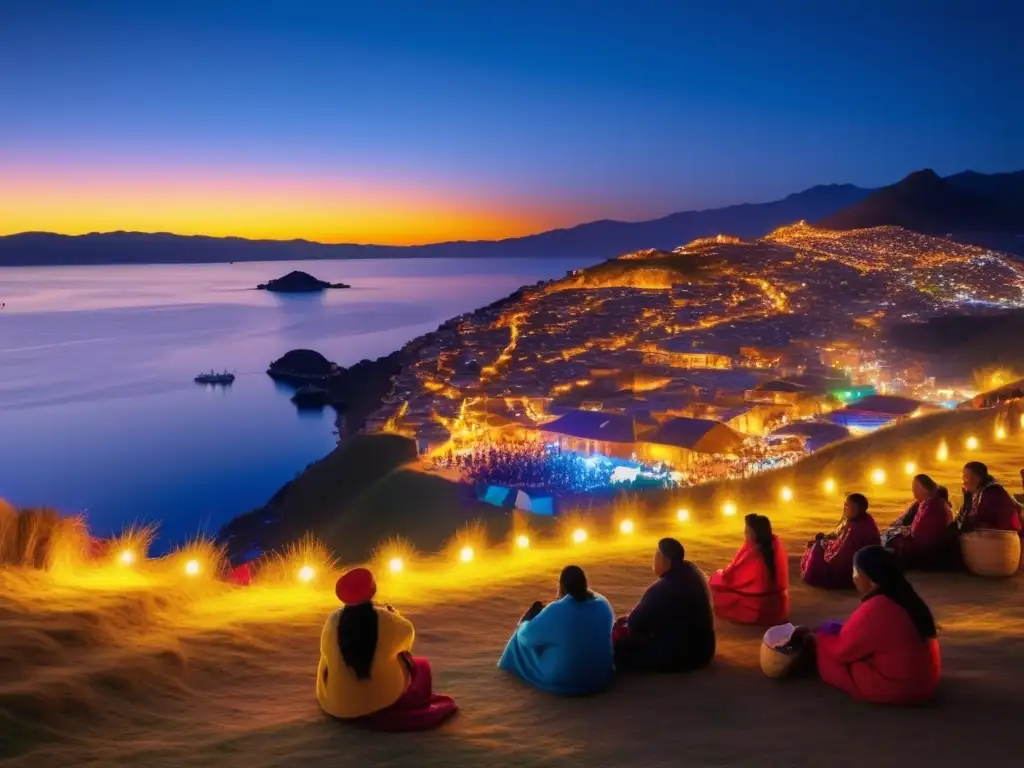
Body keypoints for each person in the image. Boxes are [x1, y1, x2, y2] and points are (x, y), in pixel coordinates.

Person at [317, 568, 457, 731]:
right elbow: (407, 637)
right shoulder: (385, 620)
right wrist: (394, 615)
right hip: (382, 699)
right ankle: (388, 699)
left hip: (335, 705)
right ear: (373, 590)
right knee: (420, 665)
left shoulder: (333, 620)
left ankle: (348, 693)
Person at [812, 546, 940, 705]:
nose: (854, 578)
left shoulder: (878, 607)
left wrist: (821, 639)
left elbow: (842, 651)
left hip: (903, 688)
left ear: (870, 578)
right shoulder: (906, 597)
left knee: (828, 656)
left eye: (855, 572)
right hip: (926, 682)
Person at [497, 565, 614, 695]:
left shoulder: (557, 610)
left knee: (519, 639)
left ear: (562, 586)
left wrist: (524, 621)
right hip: (601, 678)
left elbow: (527, 637)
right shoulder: (603, 603)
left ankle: (505, 670)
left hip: (568, 681)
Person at [614, 538, 716, 673]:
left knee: (621, 648)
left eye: (656, 557)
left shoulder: (661, 589)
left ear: (665, 561)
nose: (653, 561)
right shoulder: (693, 572)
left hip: (684, 656)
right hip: (705, 650)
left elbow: (634, 623)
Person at [709, 514, 789, 626]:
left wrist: (721, 574)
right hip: (780, 607)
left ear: (754, 533)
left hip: (756, 608)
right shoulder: (775, 544)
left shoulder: (753, 552)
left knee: (717, 584)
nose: (745, 534)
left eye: (747, 531)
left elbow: (732, 576)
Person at [800, 493, 881, 589]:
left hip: (853, 570)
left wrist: (828, 564)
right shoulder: (855, 519)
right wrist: (825, 540)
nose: (845, 508)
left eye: (848, 506)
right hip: (849, 558)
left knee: (816, 554)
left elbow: (845, 555)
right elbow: (837, 535)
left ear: (858, 509)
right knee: (816, 546)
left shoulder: (859, 528)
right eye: (845, 504)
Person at [884, 474, 954, 570]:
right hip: (930, 548)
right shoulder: (928, 503)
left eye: (916, 487)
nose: (913, 491)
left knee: (891, 542)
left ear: (925, 488)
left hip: (928, 552)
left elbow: (920, 534)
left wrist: (905, 533)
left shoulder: (933, 506)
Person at [956, 462, 1023, 534]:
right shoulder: (980, 492)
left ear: (976, 477)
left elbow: (970, 524)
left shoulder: (993, 493)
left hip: (1001, 538)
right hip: (993, 537)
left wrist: (967, 502)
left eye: (966, 476)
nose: (964, 481)